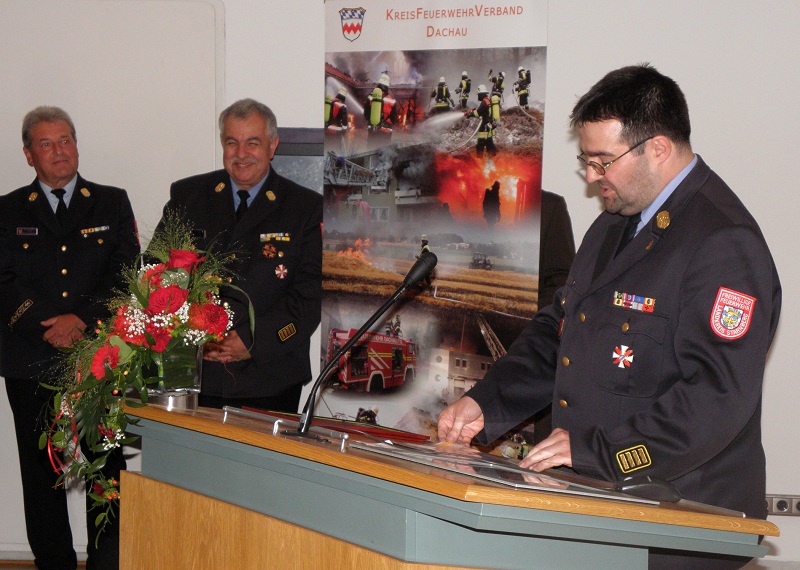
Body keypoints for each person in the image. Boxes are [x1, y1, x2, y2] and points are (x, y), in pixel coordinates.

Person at [438, 64, 781, 570]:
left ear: (658, 149)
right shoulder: (613, 225)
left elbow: (715, 400)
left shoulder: (723, 242)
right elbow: (560, 335)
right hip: (603, 510)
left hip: (678, 523)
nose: (591, 176)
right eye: (587, 160)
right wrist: (489, 402)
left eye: (603, 161)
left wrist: (597, 451)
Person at [0, 106, 140, 569]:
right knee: (42, 474)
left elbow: (126, 271)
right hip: (30, 360)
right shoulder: (6, 210)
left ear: (76, 145)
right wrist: (48, 324)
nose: (59, 151)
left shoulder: (111, 202)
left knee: (107, 468)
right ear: (28, 155)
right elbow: (3, 282)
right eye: (46, 144)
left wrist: (80, 319)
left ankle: (107, 562)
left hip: (99, 358)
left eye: (65, 141)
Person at [159, 98, 322, 413]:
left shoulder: (304, 208)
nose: (241, 153)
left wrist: (252, 340)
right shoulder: (188, 196)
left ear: (272, 146)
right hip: (195, 374)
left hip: (268, 378)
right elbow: (158, 272)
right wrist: (191, 330)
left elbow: (309, 295)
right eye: (232, 142)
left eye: (253, 143)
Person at [364, 73, 398, 146]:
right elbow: (394, 117)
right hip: (386, 131)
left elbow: (366, 112)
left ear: (379, 84)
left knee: (371, 149)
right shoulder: (391, 100)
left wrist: (371, 120)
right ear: (387, 86)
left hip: (373, 128)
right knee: (383, 151)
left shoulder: (371, 96)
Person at [466, 85, 497, 158]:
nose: (478, 96)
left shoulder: (484, 102)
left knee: (480, 144)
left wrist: (469, 114)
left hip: (485, 127)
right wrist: (474, 110)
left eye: (478, 94)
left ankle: (479, 159)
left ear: (481, 94)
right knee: (489, 143)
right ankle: (492, 160)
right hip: (489, 125)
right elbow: (483, 111)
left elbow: (478, 113)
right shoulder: (488, 100)